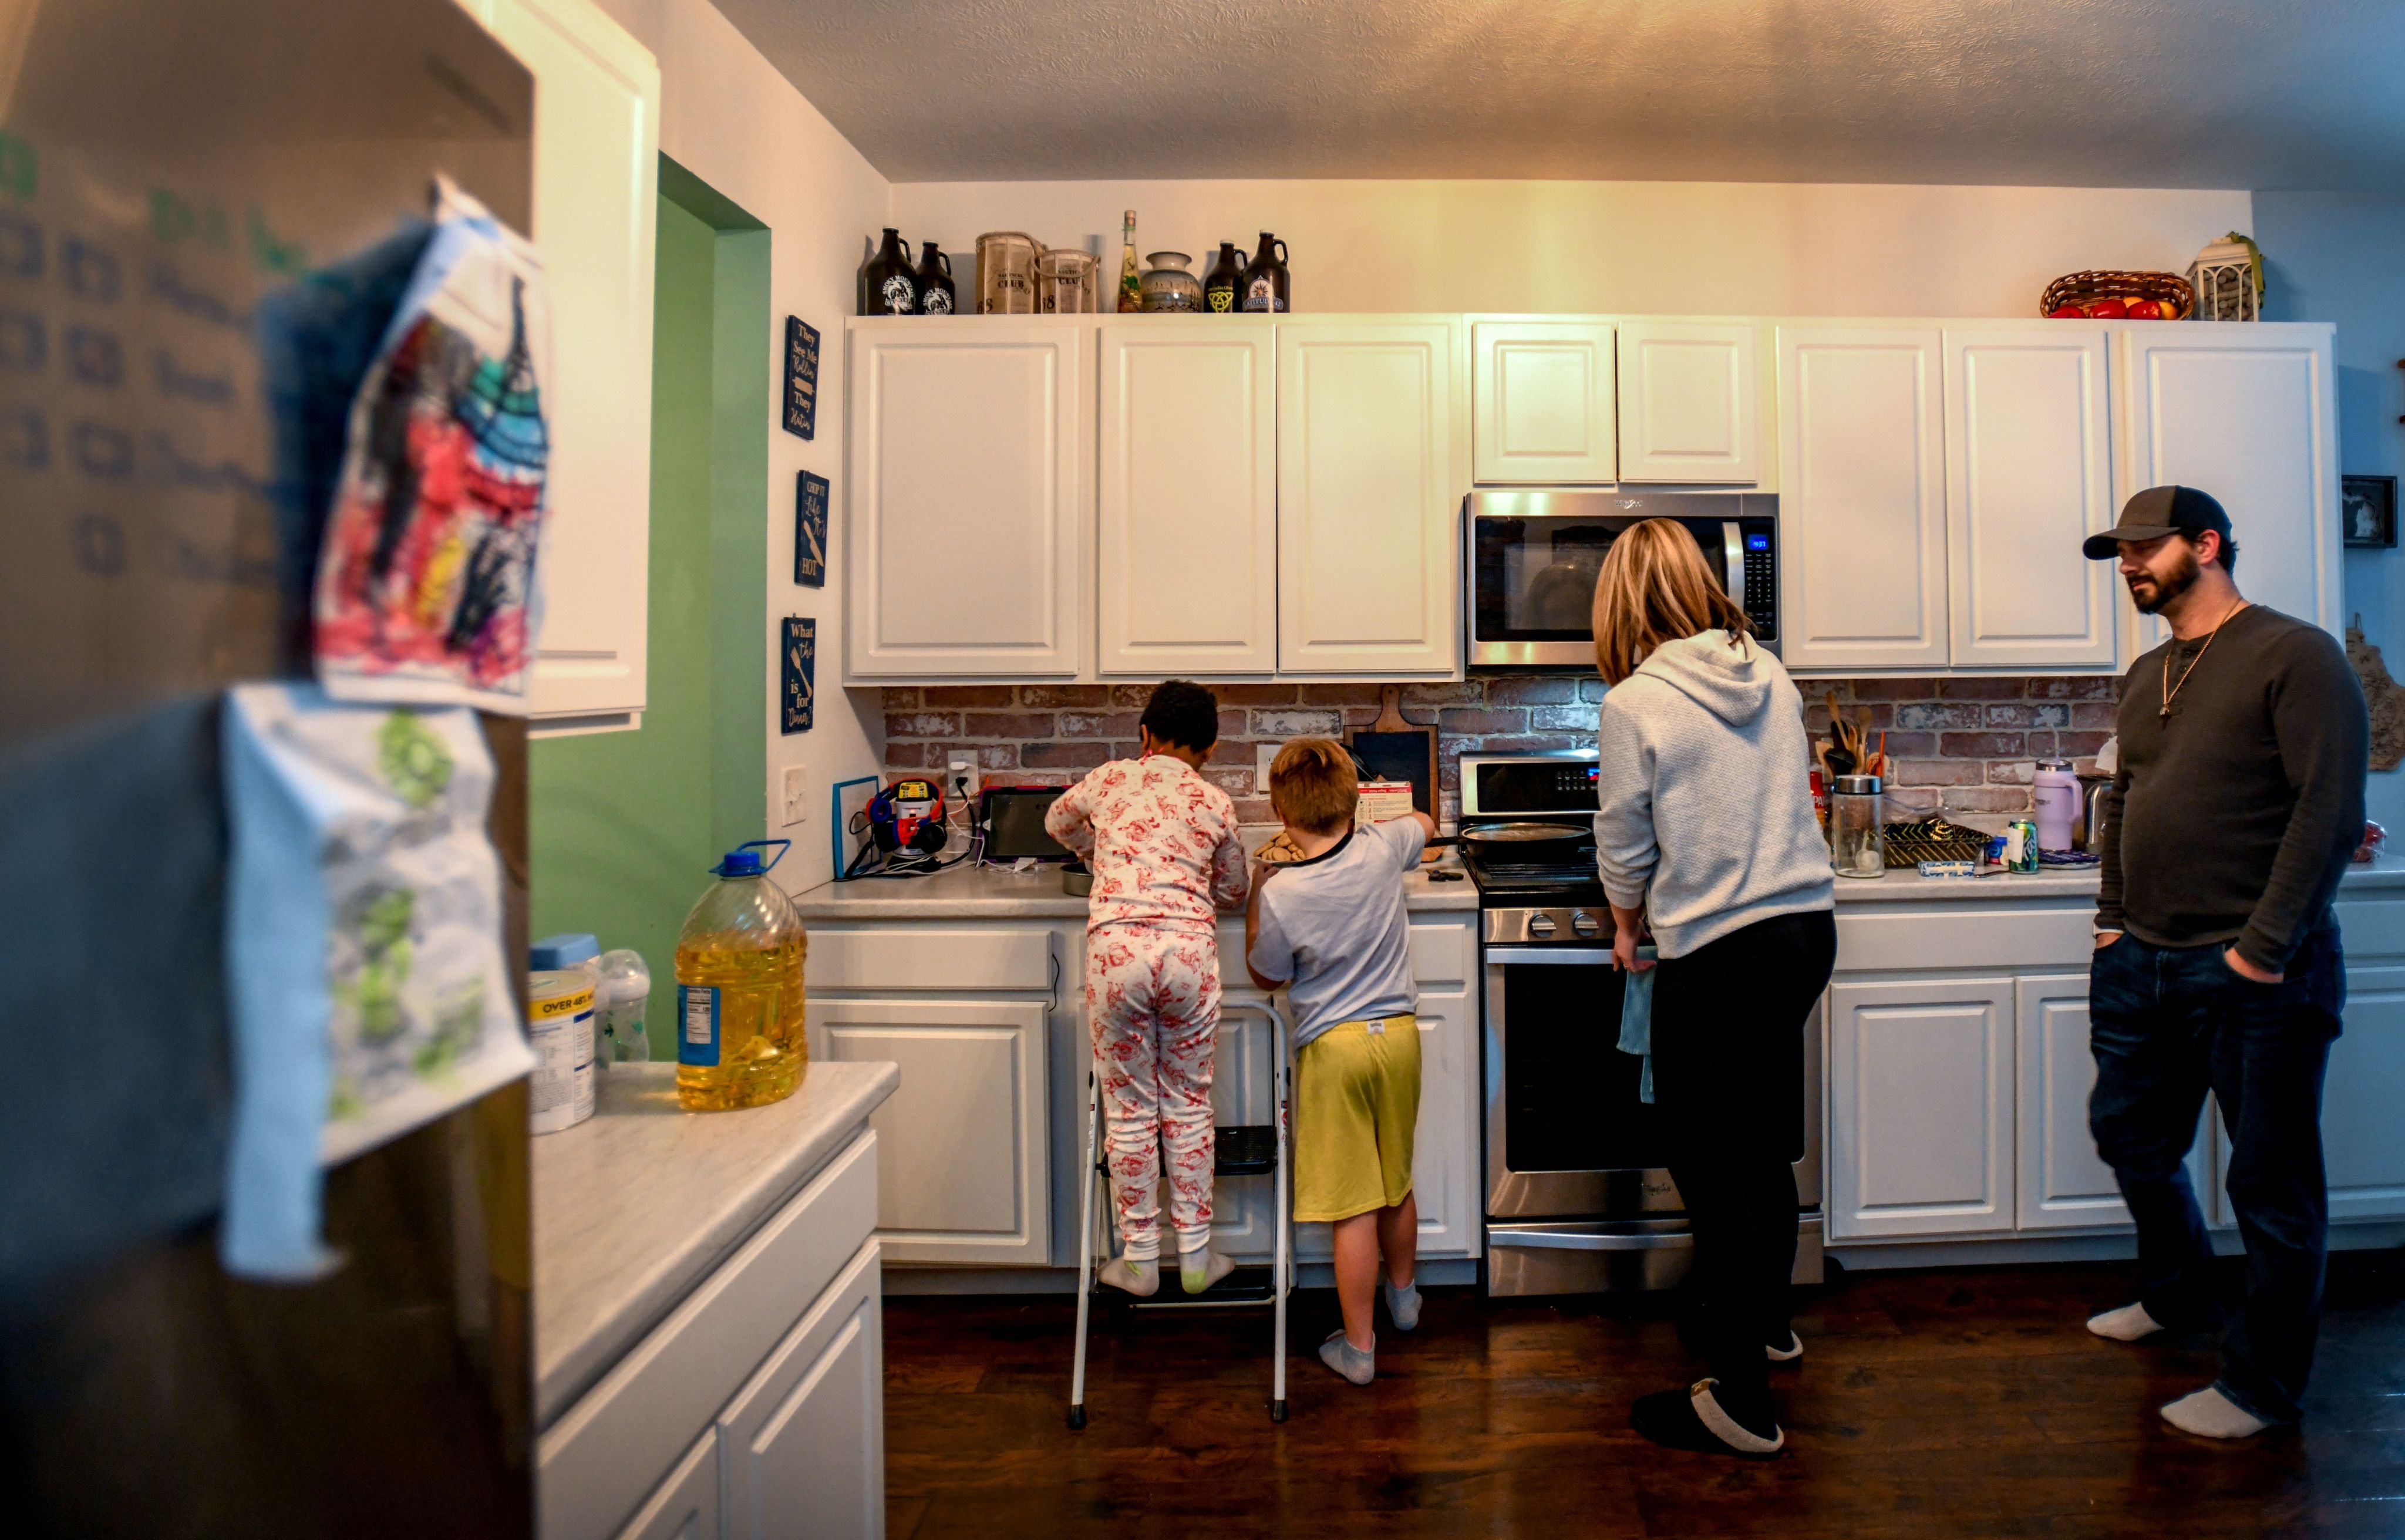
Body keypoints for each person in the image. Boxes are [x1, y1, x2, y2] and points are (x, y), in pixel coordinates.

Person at [2079, 486, 2368, 1440]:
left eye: (2142, 548)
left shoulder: (2295, 654)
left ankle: (2259, 1385)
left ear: (2205, 544)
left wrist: (2262, 949)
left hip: (2254, 969)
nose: (2127, 564)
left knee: (2271, 1183)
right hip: (2143, 959)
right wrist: (2112, 919)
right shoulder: (2148, 670)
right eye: (2118, 552)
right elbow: (2126, 797)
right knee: (2128, 1132)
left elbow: (2327, 813)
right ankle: (2175, 1294)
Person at [1589, 518, 1836, 1458]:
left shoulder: (1636, 700)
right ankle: (1766, 1326)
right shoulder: (1768, 671)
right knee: (1761, 1142)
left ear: (1619, 605)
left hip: (1723, 949)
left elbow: (1624, 838)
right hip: (1804, 932)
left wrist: (1624, 920)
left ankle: (1740, 1399)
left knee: (1710, 1163)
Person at [1046, 680, 1251, 1297]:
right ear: (1210, 748)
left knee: (1130, 1109)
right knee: (1188, 1104)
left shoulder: (1109, 779)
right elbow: (1236, 888)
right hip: (1187, 953)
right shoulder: (1213, 799)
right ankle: (1194, 1258)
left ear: (1144, 734)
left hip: (1117, 953)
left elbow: (1057, 820)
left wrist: (1096, 851)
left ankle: (1138, 1260)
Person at [1243, 739, 1436, 1386]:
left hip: (1335, 1048)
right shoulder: (1383, 848)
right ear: (1354, 801)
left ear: (1279, 813)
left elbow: (1265, 973)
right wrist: (1387, 822)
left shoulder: (1283, 892)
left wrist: (1257, 888)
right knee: (1395, 1180)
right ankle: (1404, 1300)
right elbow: (1429, 826)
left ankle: (1359, 1348)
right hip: (1399, 1038)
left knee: (1352, 1203)